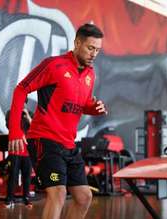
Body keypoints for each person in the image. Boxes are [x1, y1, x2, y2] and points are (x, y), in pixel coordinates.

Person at [8, 23, 107, 219]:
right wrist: (15, 131)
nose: (94, 54)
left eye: (97, 50)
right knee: (58, 193)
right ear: (77, 43)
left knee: (84, 197)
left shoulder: (90, 74)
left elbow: (81, 103)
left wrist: (92, 108)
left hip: (68, 144)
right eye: (90, 48)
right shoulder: (54, 65)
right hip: (44, 140)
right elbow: (21, 89)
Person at [4, 100, 33, 208]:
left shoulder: (29, 113)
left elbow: (34, 127)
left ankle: (26, 198)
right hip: (14, 150)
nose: (22, 104)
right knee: (13, 176)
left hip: (27, 151)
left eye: (24, 103)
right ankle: (9, 199)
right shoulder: (10, 113)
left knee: (27, 177)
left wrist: (27, 115)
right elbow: (9, 126)